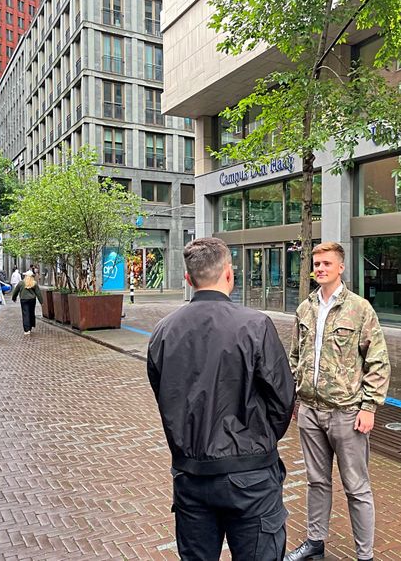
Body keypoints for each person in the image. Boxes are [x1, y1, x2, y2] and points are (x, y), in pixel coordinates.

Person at [147, 237, 295, 561]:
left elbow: (165, 396)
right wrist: (256, 440)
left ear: (188, 279)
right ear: (230, 274)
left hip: (191, 476)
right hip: (251, 477)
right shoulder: (256, 325)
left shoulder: (162, 331)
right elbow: (283, 399)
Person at [285, 242, 391, 561]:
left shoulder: (359, 309)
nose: (320, 268)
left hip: (347, 415)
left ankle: (365, 555)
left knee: (356, 488)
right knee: (317, 481)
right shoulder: (305, 309)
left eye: (327, 263)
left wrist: (369, 407)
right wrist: (295, 397)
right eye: (316, 263)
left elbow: (379, 361)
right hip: (310, 413)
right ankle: (315, 542)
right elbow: (295, 356)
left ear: (340, 267)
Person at [11, 270, 43, 335]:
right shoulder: (34, 283)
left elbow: (15, 291)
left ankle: (27, 329)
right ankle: (30, 326)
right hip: (32, 300)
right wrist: (41, 301)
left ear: (25, 276)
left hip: (24, 299)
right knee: (31, 312)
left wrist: (14, 298)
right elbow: (38, 293)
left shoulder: (21, 283)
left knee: (25, 313)